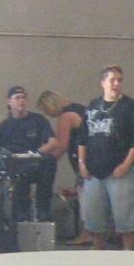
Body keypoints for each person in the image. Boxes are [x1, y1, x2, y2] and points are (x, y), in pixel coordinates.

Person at [78, 65, 134, 250]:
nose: (116, 83)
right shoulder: (93, 106)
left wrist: (126, 165)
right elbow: (82, 139)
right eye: (112, 80)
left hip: (120, 170)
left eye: (120, 80)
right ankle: (98, 248)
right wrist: (82, 163)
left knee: (125, 216)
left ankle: (128, 250)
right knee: (94, 216)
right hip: (94, 171)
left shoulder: (130, 107)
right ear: (103, 83)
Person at [0, 86, 58, 222]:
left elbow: (53, 142)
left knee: (49, 161)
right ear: (9, 101)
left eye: (23, 97)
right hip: (14, 169)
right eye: (17, 98)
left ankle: (43, 211)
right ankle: (19, 216)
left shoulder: (38, 120)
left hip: (36, 164)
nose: (21, 101)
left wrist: (37, 152)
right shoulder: (4, 127)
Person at [36, 90, 90, 242]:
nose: (47, 114)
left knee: (85, 198)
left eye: (45, 110)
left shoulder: (65, 116)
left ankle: (87, 233)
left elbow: (62, 145)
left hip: (83, 161)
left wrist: (46, 162)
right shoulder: (80, 108)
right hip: (93, 158)